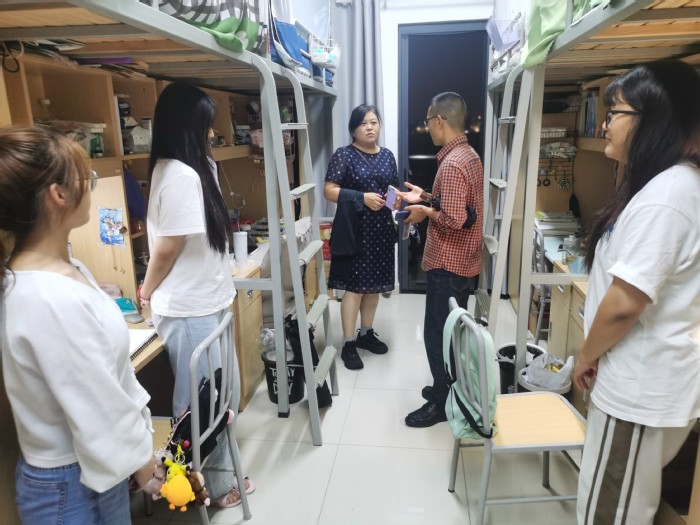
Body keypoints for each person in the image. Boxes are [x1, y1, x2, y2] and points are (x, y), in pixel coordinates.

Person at [0, 126, 162, 523]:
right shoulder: (45, 296)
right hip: (68, 484)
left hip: (89, 469)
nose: (90, 186)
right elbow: (96, 404)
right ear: (58, 194)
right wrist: (145, 467)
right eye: (86, 177)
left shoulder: (65, 269)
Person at [572, 61, 700, 524]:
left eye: (615, 112)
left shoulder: (668, 195)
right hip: (634, 380)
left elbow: (624, 305)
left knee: (610, 513)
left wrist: (585, 356)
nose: (605, 124)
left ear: (654, 119)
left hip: (637, 390)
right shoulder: (666, 186)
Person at [138, 82, 248, 507]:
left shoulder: (195, 167)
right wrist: (146, 291)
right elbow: (167, 248)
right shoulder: (180, 174)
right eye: (206, 126)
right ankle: (199, 489)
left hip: (208, 300)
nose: (211, 134)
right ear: (186, 127)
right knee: (199, 407)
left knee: (219, 401)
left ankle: (209, 478)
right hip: (188, 309)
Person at [397, 92, 483, 428]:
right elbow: (461, 207)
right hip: (463, 262)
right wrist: (426, 197)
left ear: (440, 121)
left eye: (429, 121)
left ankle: (442, 403)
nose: (428, 127)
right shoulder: (468, 156)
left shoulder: (451, 164)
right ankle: (443, 389)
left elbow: (454, 218)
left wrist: (423, 212)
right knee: (452, 331)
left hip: (448, 263)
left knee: (438, 335)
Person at [324, 104, 399, 370]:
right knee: (354, 288)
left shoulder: (388, 155)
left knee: (374, 285)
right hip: (353, 230)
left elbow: (392, 190)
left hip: (381, 231)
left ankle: (365, 333)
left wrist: (395, 201)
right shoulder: (344, 155)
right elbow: (329, 190)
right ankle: (348, 342)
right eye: (363, 123)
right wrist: (362, 198)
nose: (369, 127)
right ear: (354, 129)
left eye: (374, 122)